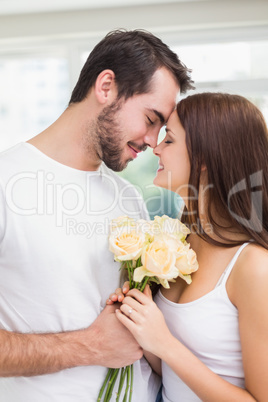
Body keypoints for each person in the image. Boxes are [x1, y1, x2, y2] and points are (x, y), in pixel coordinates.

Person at [0, 29, 193, 401]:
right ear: (106, 87)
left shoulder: (127, 196)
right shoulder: (6, 182)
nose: (153, 141)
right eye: (151, 118)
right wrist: (89, 346)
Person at [111, 93, 268, 401]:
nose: (155, 148)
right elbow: (171, 372)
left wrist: (164, 341)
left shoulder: (254, 267)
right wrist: (138, 319)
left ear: (206, 157)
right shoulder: (180, 245)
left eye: (168, 140)